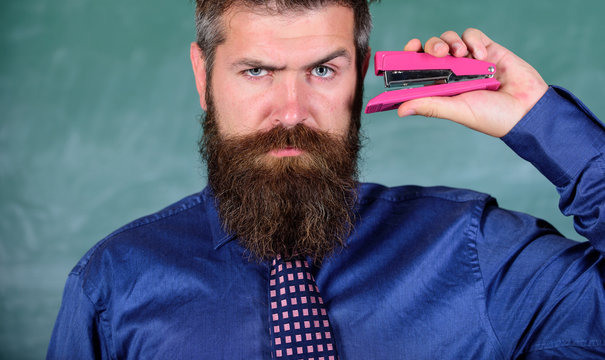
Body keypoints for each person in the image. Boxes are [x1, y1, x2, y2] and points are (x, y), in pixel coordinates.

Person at [47, 0, 605, 359]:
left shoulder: (477, 253)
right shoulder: (112, 286)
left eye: (322, 70)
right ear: (204, 75)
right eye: (257, 71)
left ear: (361, 76)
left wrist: (540, 119)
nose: (291, 112)